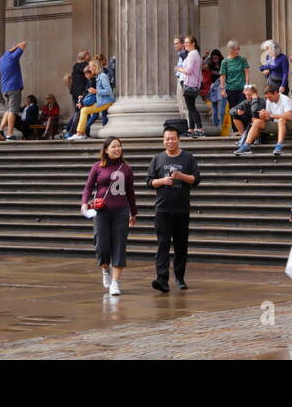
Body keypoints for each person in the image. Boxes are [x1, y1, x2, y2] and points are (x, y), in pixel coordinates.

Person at [145, 127, 201, 293]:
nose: (170, 141)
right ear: (163, 140)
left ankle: (179, 277)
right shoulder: (157, 159)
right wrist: (162, 180)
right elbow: (149, 182)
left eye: (173, 138)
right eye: (167, 139)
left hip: (182, 209)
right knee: (162, 244)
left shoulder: (188, 158)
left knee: (180, 245)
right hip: (162, 209)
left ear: (178, 139)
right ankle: (162, 279)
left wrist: (180, 176)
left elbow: (196, 180)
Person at [81, 136, 138, 297]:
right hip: (102, 212)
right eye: (113, 147)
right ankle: (105, 269)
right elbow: (88, 187)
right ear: (106, 150)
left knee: (120, 246)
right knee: (101, 245)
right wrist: (84, 203)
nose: (117, 149)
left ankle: (115, 283)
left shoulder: (126, 168)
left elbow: (130, 193)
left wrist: (133, 212)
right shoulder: (97, 167)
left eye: (119, 146)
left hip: (121, 211)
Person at [233, 83, 292, 156]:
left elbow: (289, 116)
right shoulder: (268, 101)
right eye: (267, 97)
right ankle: (246, 145)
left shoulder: (285, 99)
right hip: (277, 126)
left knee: (281, 120)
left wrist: (271, 115)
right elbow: (268, 117)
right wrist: (262, 115)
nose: (268, 99)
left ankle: (279, 146)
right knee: (257, 121)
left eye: (270, 97)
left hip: (291, 126)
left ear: (276, 93)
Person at [67, 61, 115, 140]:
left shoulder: (102, 76)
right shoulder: (98, 76)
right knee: (84, 110)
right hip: (102, 101)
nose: (89, 68)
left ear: (95, 67)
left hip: (106, 101)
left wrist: (96, 91)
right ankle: (80, 133)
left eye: (90, 66)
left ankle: (80, 133)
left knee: (84, 110)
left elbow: (109, 91)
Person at [0, 40, 28, 140]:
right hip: (14, 87)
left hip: (4, 88)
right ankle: (9, 134)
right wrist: (17, 45)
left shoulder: (1, 60)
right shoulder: (13, 58)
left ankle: (0, 129)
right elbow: (24, 43)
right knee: (13, 111)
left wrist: (5, 75)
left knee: (9, 109)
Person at [177, 35, 205, 138]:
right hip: (192, 83)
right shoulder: (194, 54)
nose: (185, 45)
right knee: (190, 107)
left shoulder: (193, 55)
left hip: (190, 84)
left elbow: (188, 71)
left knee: (192, 108)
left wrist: (178, 69)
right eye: (184, 43)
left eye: (187, 42)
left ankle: (200, 129)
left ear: (193, 44)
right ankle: (191, 129)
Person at [64, 50, 91, 129]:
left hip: (75, 92)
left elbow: (66, 78)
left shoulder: (75, 66)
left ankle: (71, 130)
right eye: (88, 54)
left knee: (79, 112)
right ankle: (70, 129)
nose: (89, 55)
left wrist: (70, 87)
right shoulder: (85, 66)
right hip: (82, 92)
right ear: (84, 56)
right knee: (83, 112)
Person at [220, 40, 249, 109]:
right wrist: (222, 89)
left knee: (242, 108)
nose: (237, 51)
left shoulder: (242, 59)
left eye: (238, 49)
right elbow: (222, 76)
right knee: (233, 110)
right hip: (230, 89)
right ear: (230, 50)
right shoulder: (225, 62)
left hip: (242, 88)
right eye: (235, 50)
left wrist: (247, 85)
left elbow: (247, 72)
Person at [205, 48, 226, 133]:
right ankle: (215, 127)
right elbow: (200, 67)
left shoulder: (224, 63)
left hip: (222, 87)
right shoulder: (210, 64)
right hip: (213, 87)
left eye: (216, 58)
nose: (214, 60)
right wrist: (206, 57)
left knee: (221, 109)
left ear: (219, 57)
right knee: (214, 109)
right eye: (213, 58)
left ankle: (220, 126)